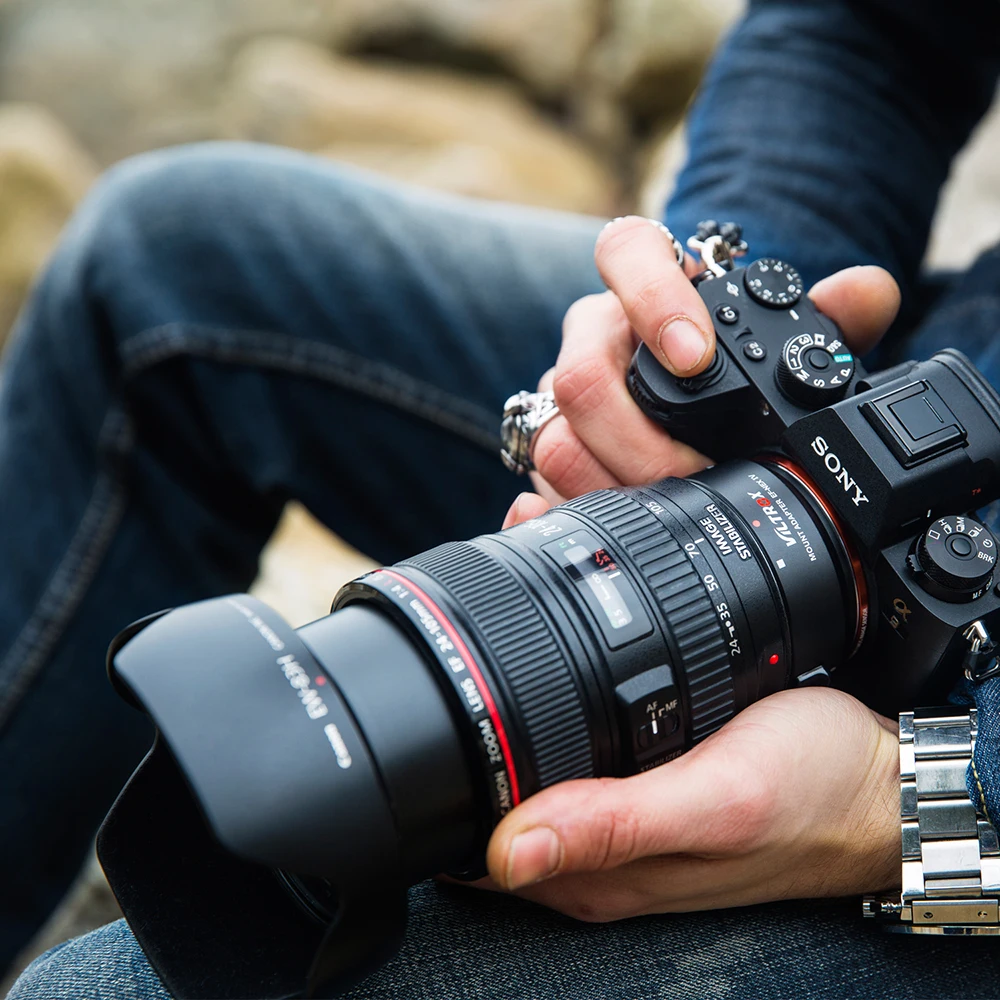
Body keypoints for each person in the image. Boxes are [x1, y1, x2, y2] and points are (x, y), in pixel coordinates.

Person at [5, 1, 1000, 997]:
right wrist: (698, 322)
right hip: (934, 356)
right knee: (162, 264)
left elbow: (928, 810)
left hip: (952, 788)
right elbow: (867, 35)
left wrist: (912, 810)